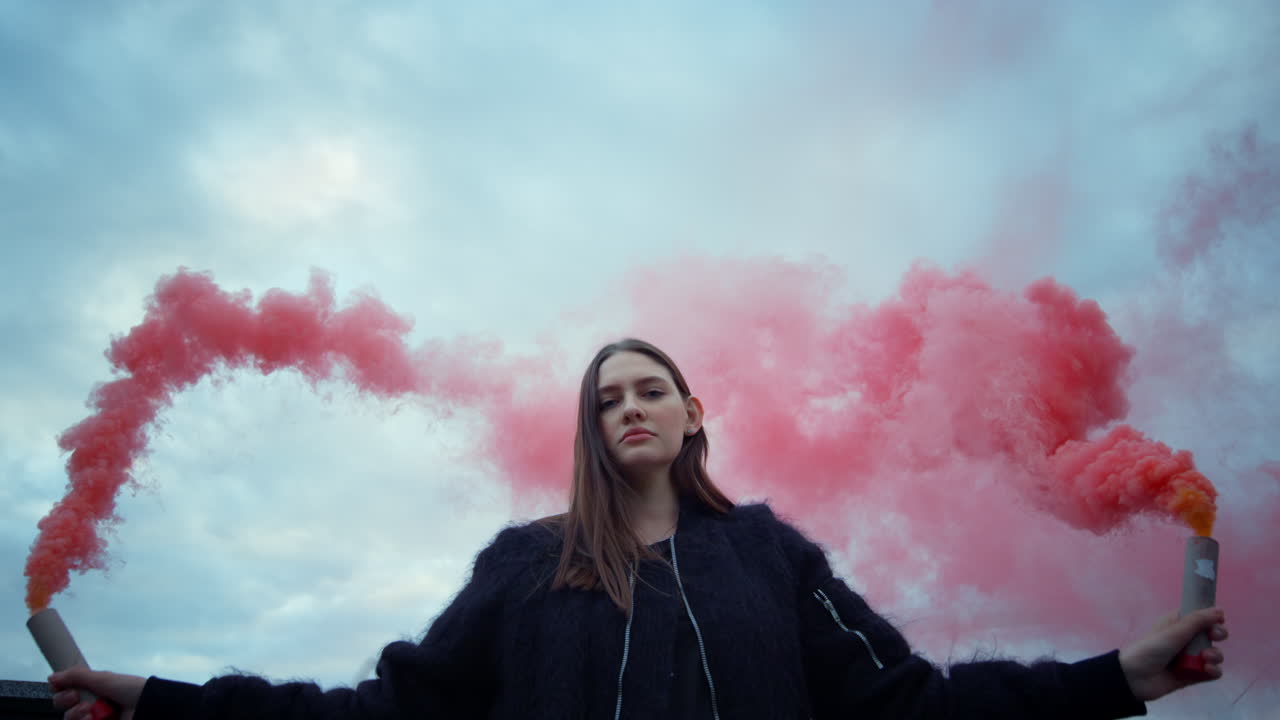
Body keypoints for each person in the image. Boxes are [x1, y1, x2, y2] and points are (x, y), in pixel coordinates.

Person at [50, 338, 1228, 719]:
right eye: (604, 398)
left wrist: (1114, 678)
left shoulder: (774, 554)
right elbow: (384, 716)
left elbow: (912, 708)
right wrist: (158, 698)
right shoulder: (523, 565)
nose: (627, 407)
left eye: (648, 388)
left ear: (692, 412)